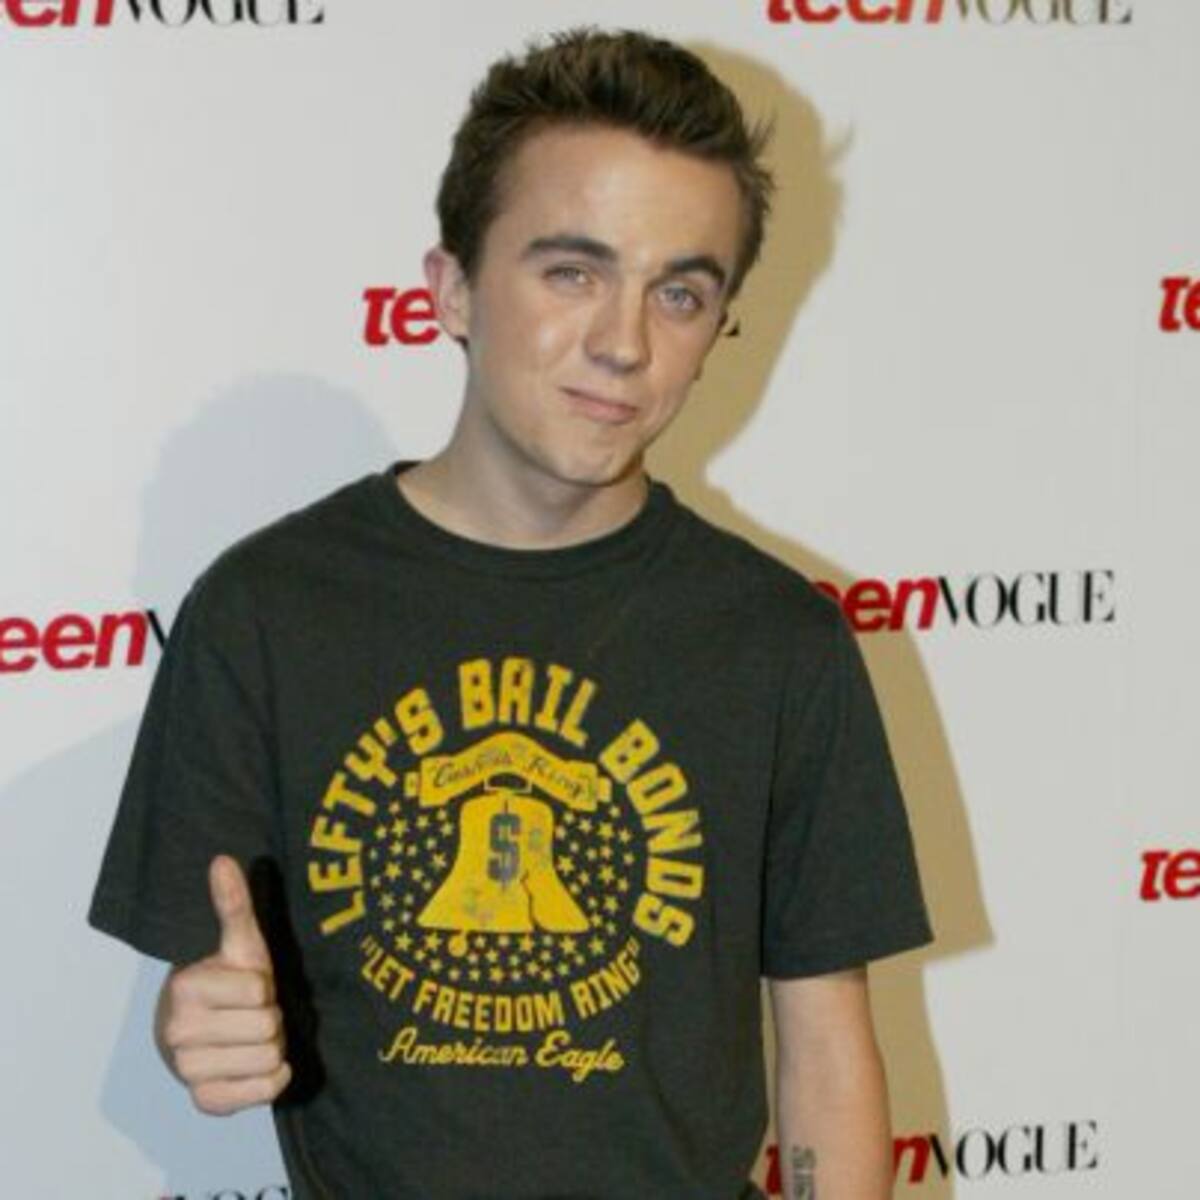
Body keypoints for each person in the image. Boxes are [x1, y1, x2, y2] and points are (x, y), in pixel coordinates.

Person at [89, 27, 932, 1200]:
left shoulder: (778, 641)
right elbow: (205, 988)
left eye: (680, 292)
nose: (624, 344)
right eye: (572, 272)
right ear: (450, 289)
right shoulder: (265, 613)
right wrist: (193, 1023)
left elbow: (827, 1051)